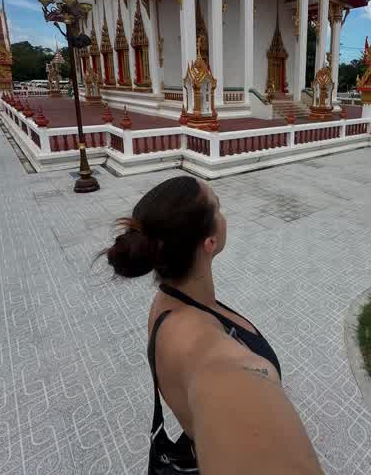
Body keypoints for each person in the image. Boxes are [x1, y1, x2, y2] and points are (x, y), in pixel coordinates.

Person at [103, 176, 323, 475]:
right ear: (210, 242)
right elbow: (224, 380)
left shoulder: (165, 302)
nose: (223, 213)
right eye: (218, 206)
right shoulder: (214, 360)